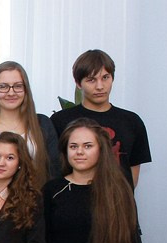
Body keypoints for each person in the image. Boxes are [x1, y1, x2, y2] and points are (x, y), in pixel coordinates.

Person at [43, 119, 140, 243]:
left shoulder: (118, 190)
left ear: (101, 150)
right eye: (73, 146)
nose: (79, 152)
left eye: (87, 146)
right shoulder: (52, 191)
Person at [50, 49, 150, 189]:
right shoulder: (60, 121)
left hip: (118, 200)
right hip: (72, 199)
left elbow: (132, 173)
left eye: (105, 77)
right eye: (91, 80)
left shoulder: (132, 122)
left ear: (112, 78)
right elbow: (54, 168)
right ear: (78, 83)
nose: (100, 86)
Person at [0, 61, 59, 189]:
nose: (11, 93)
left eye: (18, 86)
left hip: (39, 199)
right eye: (3, 86)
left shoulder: (43, 124)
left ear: (25, 89)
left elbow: (55, 172)